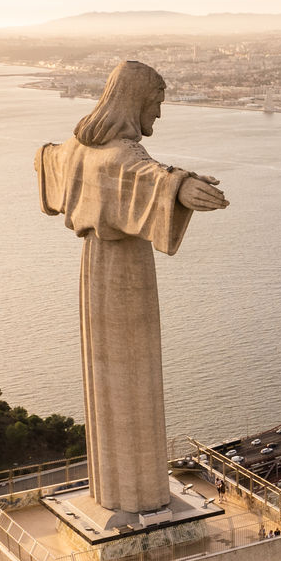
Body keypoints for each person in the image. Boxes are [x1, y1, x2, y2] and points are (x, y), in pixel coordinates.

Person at [37, 62, 228, 517]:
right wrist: (181, 188)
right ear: (136, 100)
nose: (158, 113)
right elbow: (142, 176)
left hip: (93, 270)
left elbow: (49, 158)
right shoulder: (123, 154)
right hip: (127, 274)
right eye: (156, 103)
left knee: (108, 372)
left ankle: (113, 495)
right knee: (135, 374)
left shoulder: (78, 147)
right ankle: (140, 501)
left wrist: (176, 183)